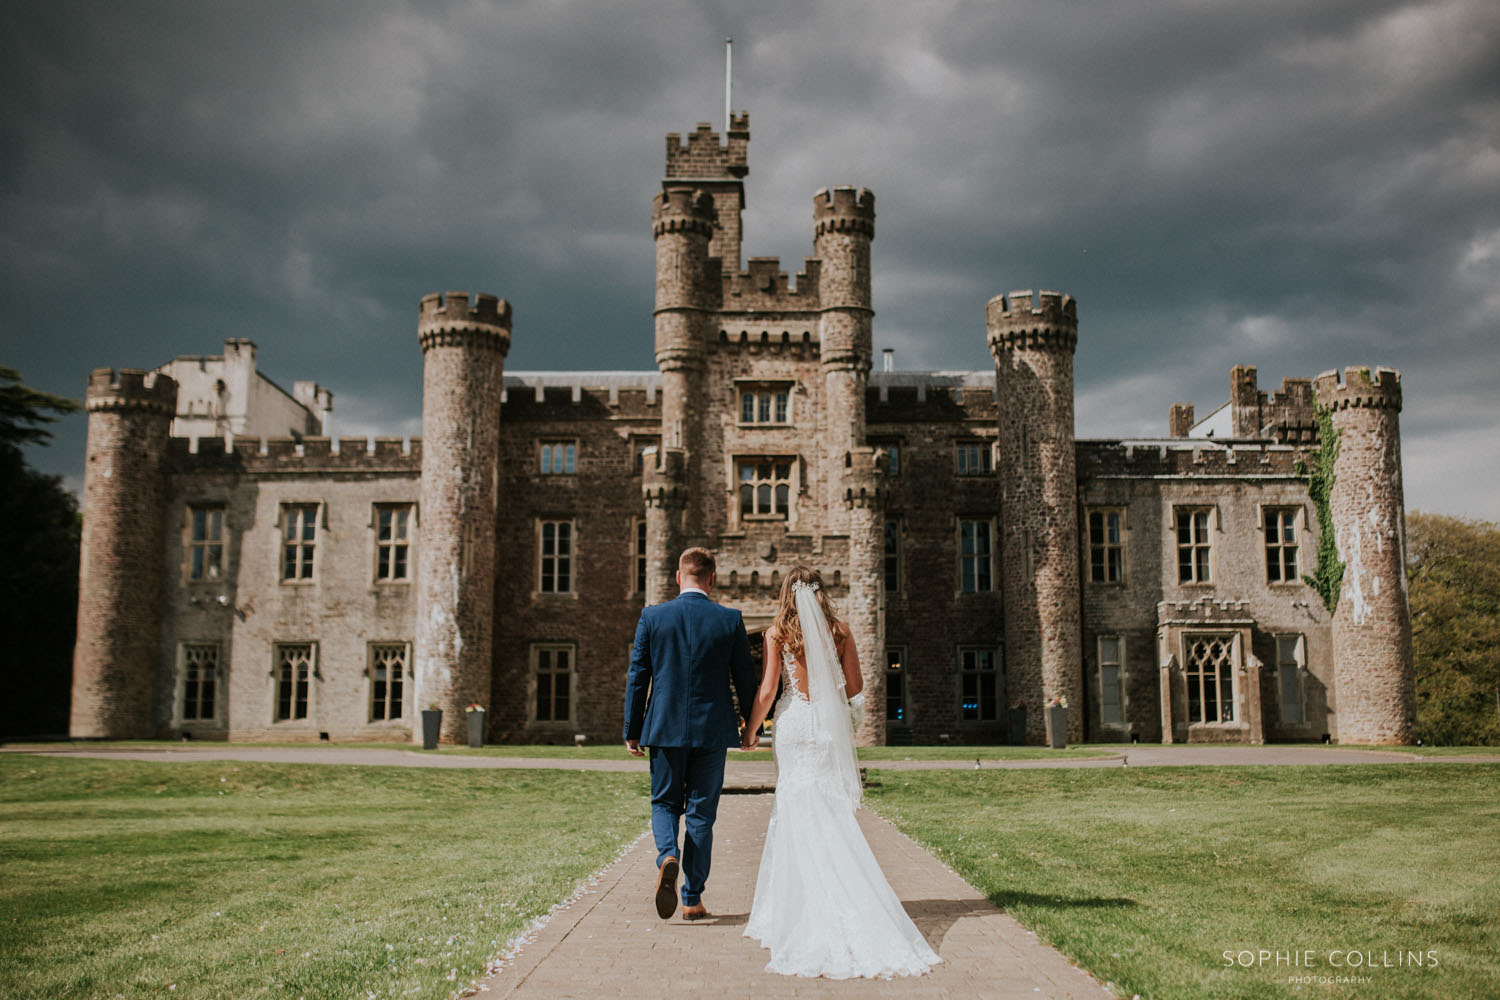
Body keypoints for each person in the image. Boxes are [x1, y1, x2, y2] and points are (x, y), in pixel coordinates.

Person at [740, 566, 941, 978]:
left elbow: (767, 690)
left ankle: (796, 909)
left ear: (786, 595)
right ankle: (849, 895)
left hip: (794, 726)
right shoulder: (842, 630)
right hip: (826, 731)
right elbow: (854, 686)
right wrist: (828, 699)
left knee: (795, 809)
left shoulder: (776, 634)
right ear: (820, 592)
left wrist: (751, 729)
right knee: (827, 810)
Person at [623, 547, 758, 920]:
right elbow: (745, 679)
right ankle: (691, 898)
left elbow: (638, 678)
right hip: (713, 730)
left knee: (665, 802)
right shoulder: (729, 620)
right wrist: (751, 726)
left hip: (663, 728)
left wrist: (632, 730)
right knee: (701, 814)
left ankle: (667, 854)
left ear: (679, 577)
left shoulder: (653, 617)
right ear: (712, 580)